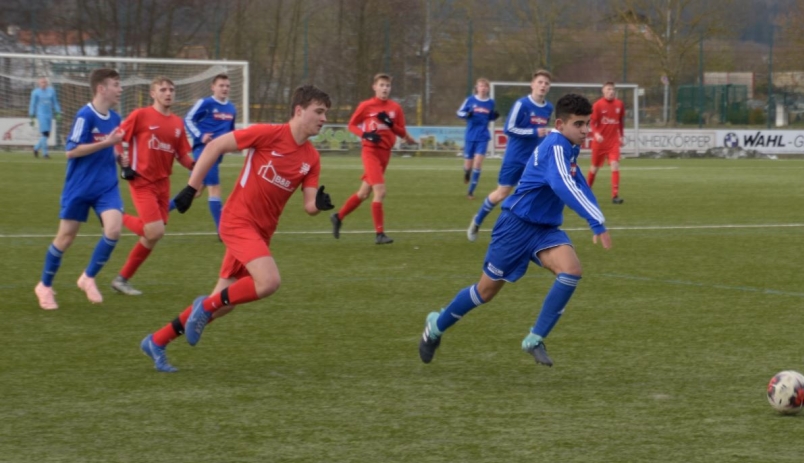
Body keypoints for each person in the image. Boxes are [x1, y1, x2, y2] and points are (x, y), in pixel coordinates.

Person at [140, 85, 335, 372]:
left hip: (262, 232)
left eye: (325, 113)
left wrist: (318, 204)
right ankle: (205, 306)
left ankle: (157, 341)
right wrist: (191, 187)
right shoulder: (268, 134)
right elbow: (215, 146)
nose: (324, 118)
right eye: (319, 111)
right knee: (268, 282)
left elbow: (309, 206)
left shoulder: (311, 159)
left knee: (226, 303)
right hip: (237, 221)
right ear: (299, 110)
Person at [419, 93, 611, 367]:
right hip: (516, 227)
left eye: (587, 123)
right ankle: (436, 326)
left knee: (571, 270)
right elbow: (563, 185)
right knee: (485, 292)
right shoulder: (555, 146)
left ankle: (535, 339)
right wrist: (595, 221)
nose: (585, 130)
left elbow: (578, 180)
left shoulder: (568, 148)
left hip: (544, 229)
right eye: (579, 124)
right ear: (560, 124)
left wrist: (598, 220)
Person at [33, 69, 123, 310]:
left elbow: (112, 148)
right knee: (66, 238)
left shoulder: (115, 118)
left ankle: (88, 277)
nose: (120, 89)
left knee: (114, 229)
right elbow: (71, 151)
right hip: (80, 186)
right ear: (101, 88)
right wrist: (106, 143)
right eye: (116, 84)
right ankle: (44, 286)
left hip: (106, 186)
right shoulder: (85, 115)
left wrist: (120, 158)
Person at [110, 77, 195, 296]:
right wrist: (122, 160)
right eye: (163, 89)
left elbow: (182, 154)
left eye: (171, 89)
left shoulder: (177, 123)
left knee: (152, 236)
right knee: (155, 231)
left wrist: (196, 166)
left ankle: (121, 279)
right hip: (142, 181)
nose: (168, 93)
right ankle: (115, 216)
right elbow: (117, 138)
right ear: (153, 93)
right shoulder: (141, 115)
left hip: (163, 183)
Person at [330, 73, 416, 245]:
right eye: (381, 85)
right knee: (380, 191)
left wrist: (390, 124)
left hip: (385, 154)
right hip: (370, 152)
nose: (385, 88)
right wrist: (365, 135)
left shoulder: (395, 108)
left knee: (363, 193)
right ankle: (379, 234)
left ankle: (338, 217)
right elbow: (351, 125)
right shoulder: (366, 106)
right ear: (374, 87)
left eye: (387, 86)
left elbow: (401, 132)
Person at [466, 70, 553, 241]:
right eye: (540, 82)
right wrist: (533, 132)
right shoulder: (522, 104)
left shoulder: (548, 108)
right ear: (532, 84)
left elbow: (541, 133)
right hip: (514, 158)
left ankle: (526, 231)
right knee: (502, 193)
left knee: (536, 194)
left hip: (533, 160)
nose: (543, 85)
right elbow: (509, 129)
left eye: (546, 83)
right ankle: (477, 220)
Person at [177, 74, 237, 233]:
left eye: (227, 86)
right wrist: (200, 135)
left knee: (194, 191)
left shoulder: (231, 108)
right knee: (215, 189)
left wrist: (233, 144)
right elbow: (188, 119)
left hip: (218, 153)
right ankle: (222, 232)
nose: (225, 88)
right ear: (213, 87)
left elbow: (231, 131)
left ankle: (162, 210)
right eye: (221, 85)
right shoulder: (206, 103)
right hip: (205, 150)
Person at [456, 77, 500, 199]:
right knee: (468, 165)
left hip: (483, 136)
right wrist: (467, 114)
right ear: (477, 88)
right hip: (470, 135)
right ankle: (467, 172)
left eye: (485, 86)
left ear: (488, 89)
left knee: (478, 162)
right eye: (481, 86)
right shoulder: (470, 100)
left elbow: (489, 117)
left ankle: (470, 192)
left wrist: (494, 116)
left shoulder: (490, 102)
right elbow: (459, 113)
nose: (483, 88)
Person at [587, 81, 626, 203]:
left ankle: (615, 196)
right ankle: (586, 191)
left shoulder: (619, 104)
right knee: (594, 168)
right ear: (603, 91)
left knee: (615, 165)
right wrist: (596, 134)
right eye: (608, 89)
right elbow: (592, 122)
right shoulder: (597, 105)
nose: (611, 91)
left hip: (613, 142)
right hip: (599, 143)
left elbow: (620, 121)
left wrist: (621, 136)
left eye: (613, 89)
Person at [29, 76, 62, 159]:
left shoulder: (51, 91)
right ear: (39, 83)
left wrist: (58, 112)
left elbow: (55, 102)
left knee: (47, 135)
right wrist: (31, 116)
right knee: (45, 134)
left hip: (49, 115)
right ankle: (45, 154)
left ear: (47, 83)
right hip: (41, 115)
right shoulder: (35, 92)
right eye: (42, 82)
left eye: (45, 82)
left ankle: (36, 148)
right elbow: (33, 104)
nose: (43, 84)